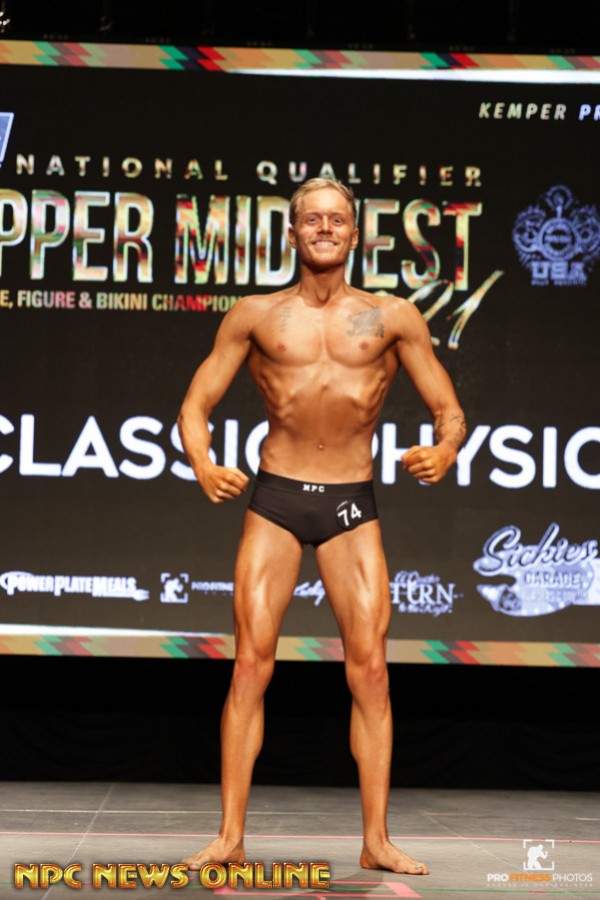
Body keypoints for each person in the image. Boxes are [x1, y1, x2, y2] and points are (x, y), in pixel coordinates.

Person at [177, 177, 466, 876]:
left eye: (337, 219)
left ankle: (376, 841)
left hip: (349, 505)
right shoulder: (255, 316)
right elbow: (195, 404)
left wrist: (445, 450)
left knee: (370, 671)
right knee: (250, 664)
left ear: (355, 234)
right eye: (313, 219)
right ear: (293, 232)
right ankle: (230, 837)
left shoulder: (393, 317)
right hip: (276, 498)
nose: (326, 229)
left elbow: (449, 410)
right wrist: (203, 464)